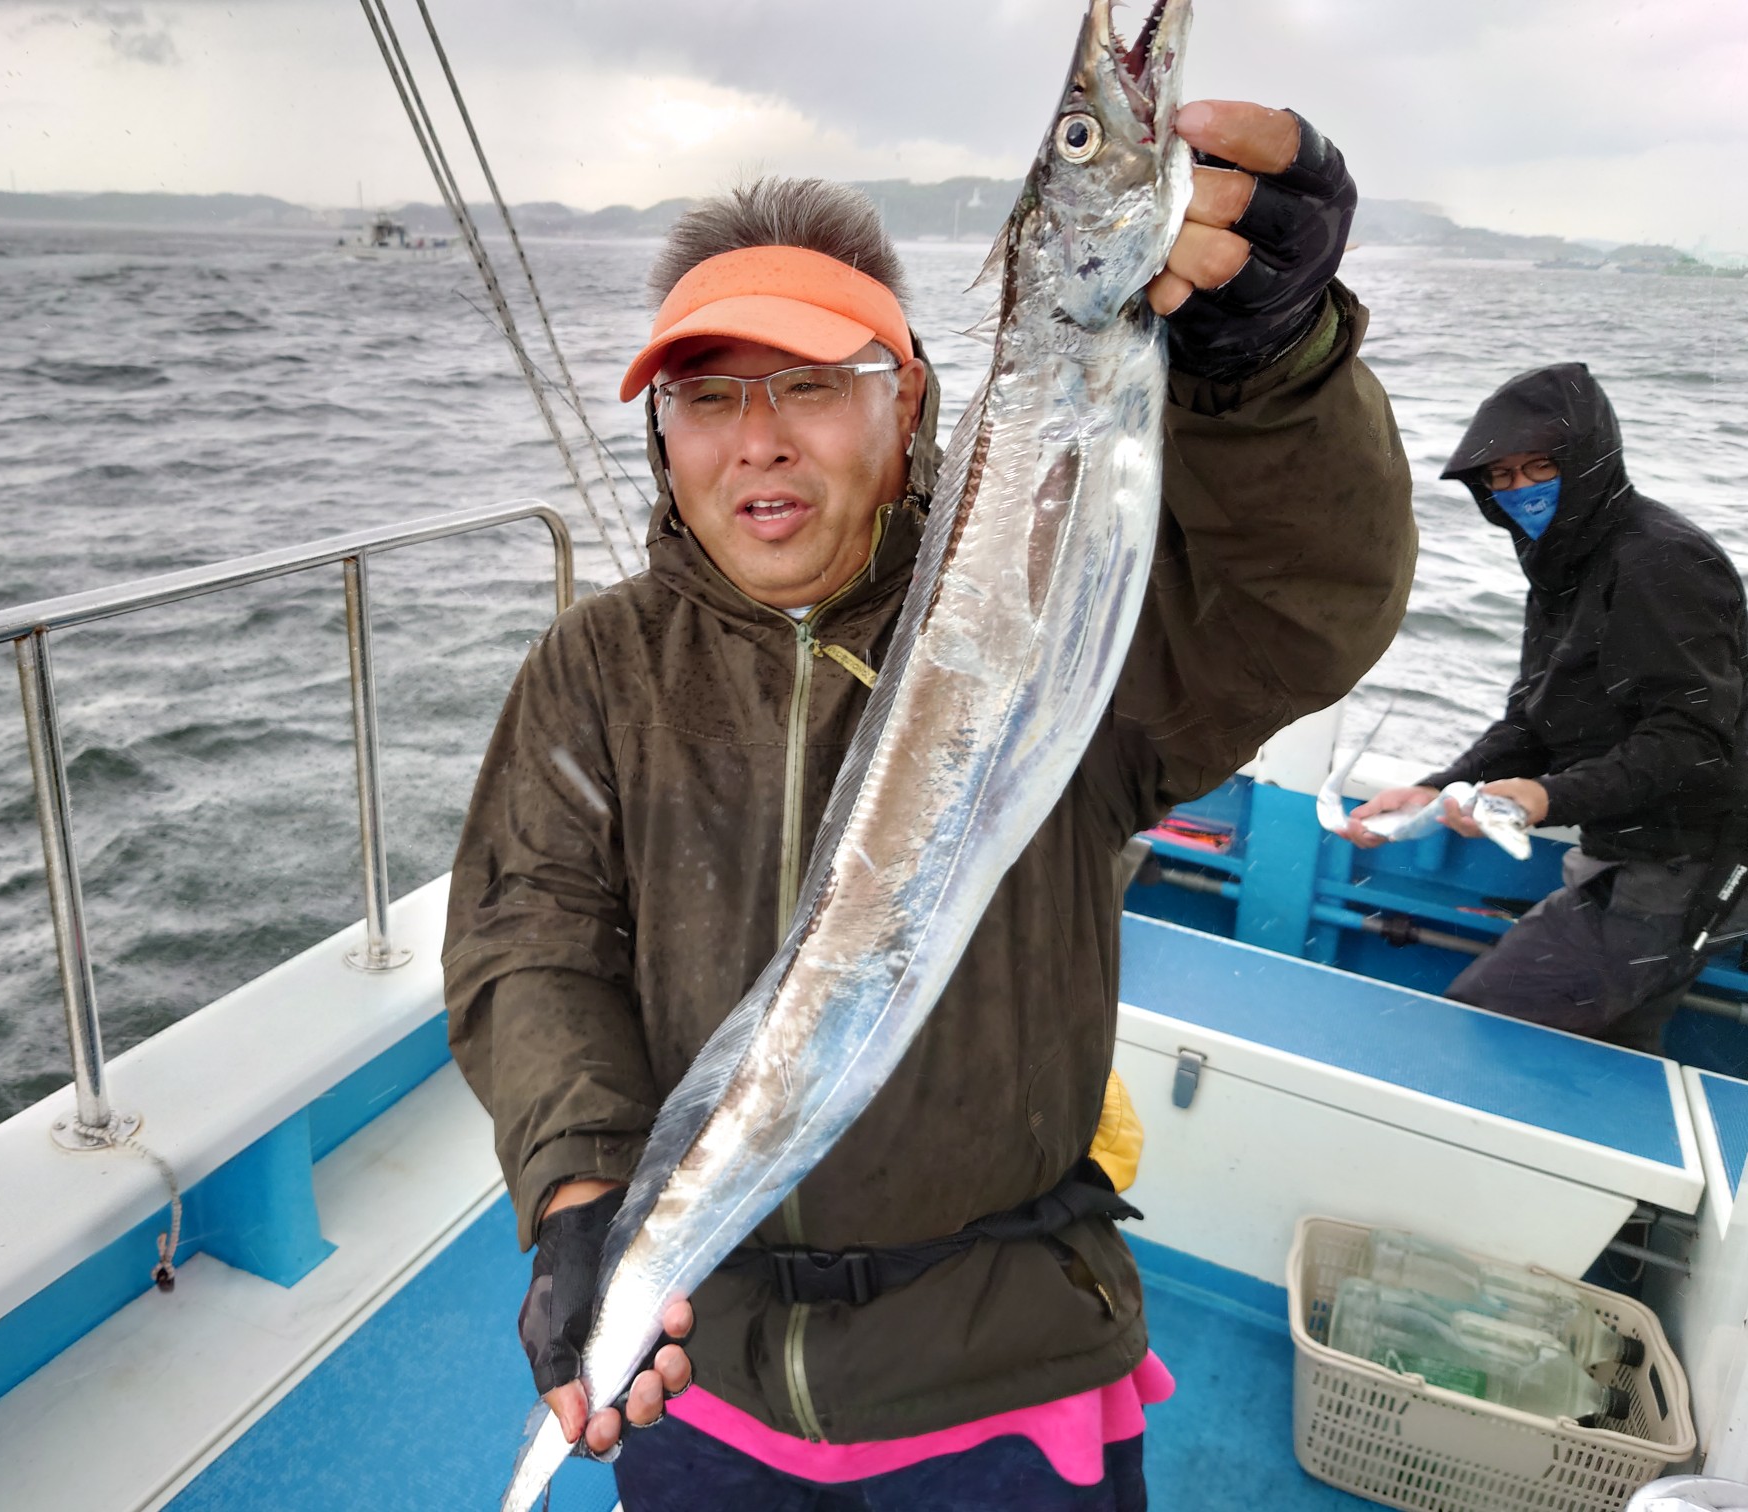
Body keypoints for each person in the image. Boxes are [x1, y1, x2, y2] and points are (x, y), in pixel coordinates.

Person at [445, 100, 1416, 1509]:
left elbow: (1300, 607)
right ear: (664, 440)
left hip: (1007, 1383)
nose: (757, 441)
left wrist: (1273, 368)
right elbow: (529, 940)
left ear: (909, 405)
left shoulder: (1048, 617)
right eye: (706, 396)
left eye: (811, 382)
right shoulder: (596, 670)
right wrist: (584, 1194)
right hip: (699, 1378)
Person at [1349, 364, 1748, 1052]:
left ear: (1589, 461)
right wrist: (1437, 788)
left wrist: (1544, 797)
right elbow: (1536, 720)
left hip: (1688, 862)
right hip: (1619, 846)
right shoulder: (1560, 565)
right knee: (1608, 1046)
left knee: (1479, 1028)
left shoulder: (1662, 561)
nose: (1520, 491)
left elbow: (1692, 740)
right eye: (1500, 478)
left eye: (1539, 467)